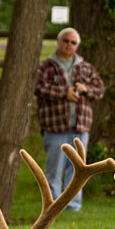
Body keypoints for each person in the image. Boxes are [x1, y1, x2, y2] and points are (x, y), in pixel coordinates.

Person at [34, 27, 105, 212]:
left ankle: (73, 207)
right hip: (55, 128)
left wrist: (86, 89)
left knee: (78, 170)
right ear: (58, 42)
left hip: (80, 128)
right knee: (54, 170)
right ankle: (52, 208)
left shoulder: (86, 68)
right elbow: (39, 88)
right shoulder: (46, 66)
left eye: (73, 43)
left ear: (77, 46)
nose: (68, 45)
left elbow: (100, 90)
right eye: (66, 40)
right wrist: (63, 93)